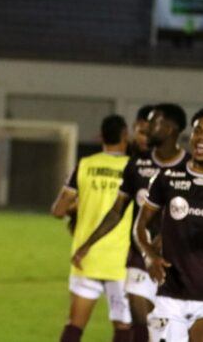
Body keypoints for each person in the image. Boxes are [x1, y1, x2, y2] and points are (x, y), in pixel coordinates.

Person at [71, 103, 188, 341]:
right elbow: (116, 212)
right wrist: (87, 244)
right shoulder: (136, 164)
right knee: (139, 319)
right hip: (140, 256)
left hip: (177, 261)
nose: (145, 129)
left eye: (153, 123)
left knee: (168, 331)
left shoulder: (190, 167)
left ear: (171, 129)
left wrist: (165, 239)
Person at [134, 107, 203, 342]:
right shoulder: (166, 179)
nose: (202, 138)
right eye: (198, 131)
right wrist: (149, 256)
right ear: (191, 136)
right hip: (171, 296)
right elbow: (140, 224)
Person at [51, 115, 132, 342]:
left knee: (74, 325)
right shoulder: (132, 168)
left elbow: (58, 210)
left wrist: (81, 208)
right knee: (124, 328)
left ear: (101, 137)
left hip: (85, 258)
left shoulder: (85, 165)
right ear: (125, 136)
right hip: (120, 261)